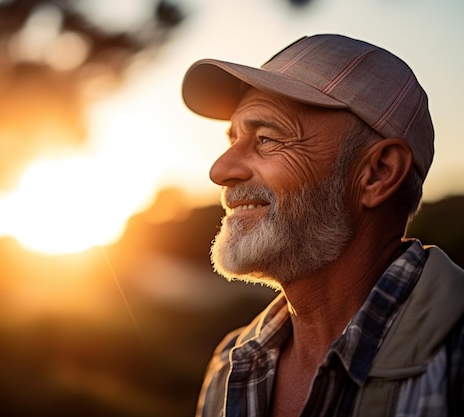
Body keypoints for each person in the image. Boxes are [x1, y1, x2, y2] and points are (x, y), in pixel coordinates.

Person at [181, 34, 464, 417]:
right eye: (234, 138)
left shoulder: (454, 361)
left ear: (377, 174)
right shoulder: (228, 366)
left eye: (266, 138)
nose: (220, 170)